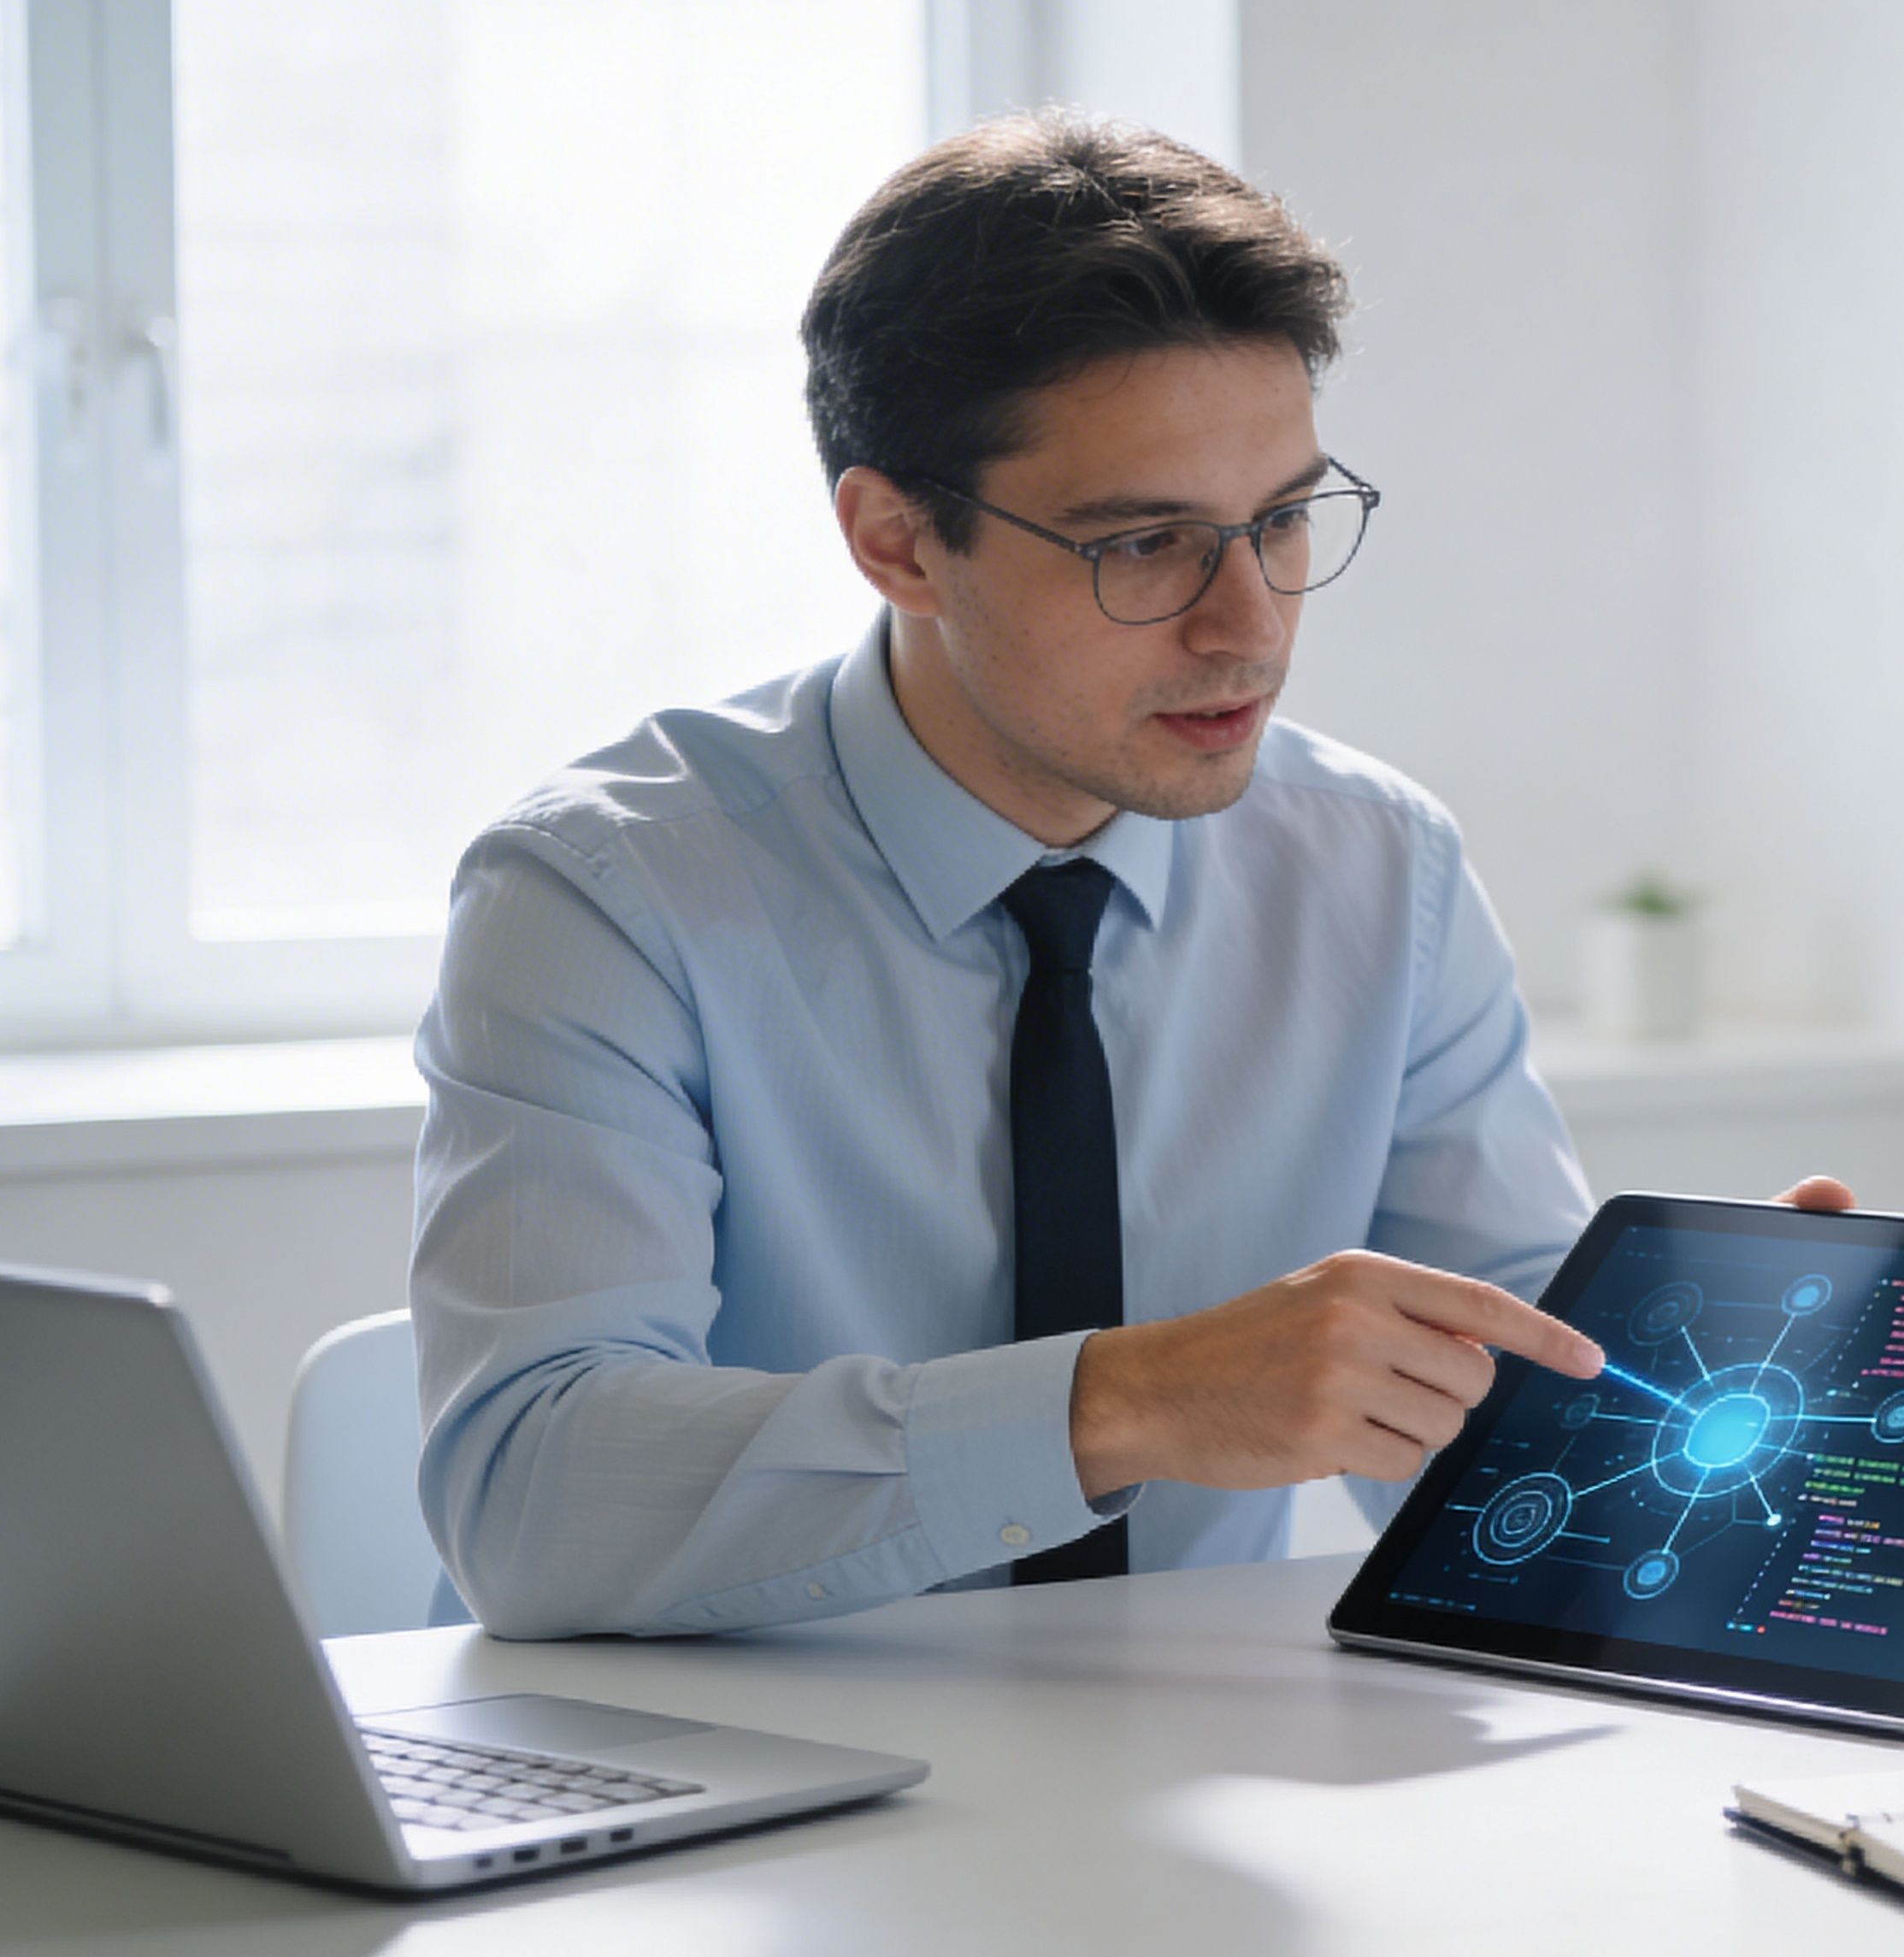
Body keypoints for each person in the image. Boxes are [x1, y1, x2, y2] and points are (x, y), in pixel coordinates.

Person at [411, 115, 1831, 1638]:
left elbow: (1489, 1436)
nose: (1250, 626)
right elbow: (529, 1502)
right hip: (719, 1757)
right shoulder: (606, 893)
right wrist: (1126, 1402)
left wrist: (1687, 1394)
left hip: (1186, 1747)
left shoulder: (1378, 869)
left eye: (1283, 520)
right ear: (898, 543)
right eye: (1146, 545)